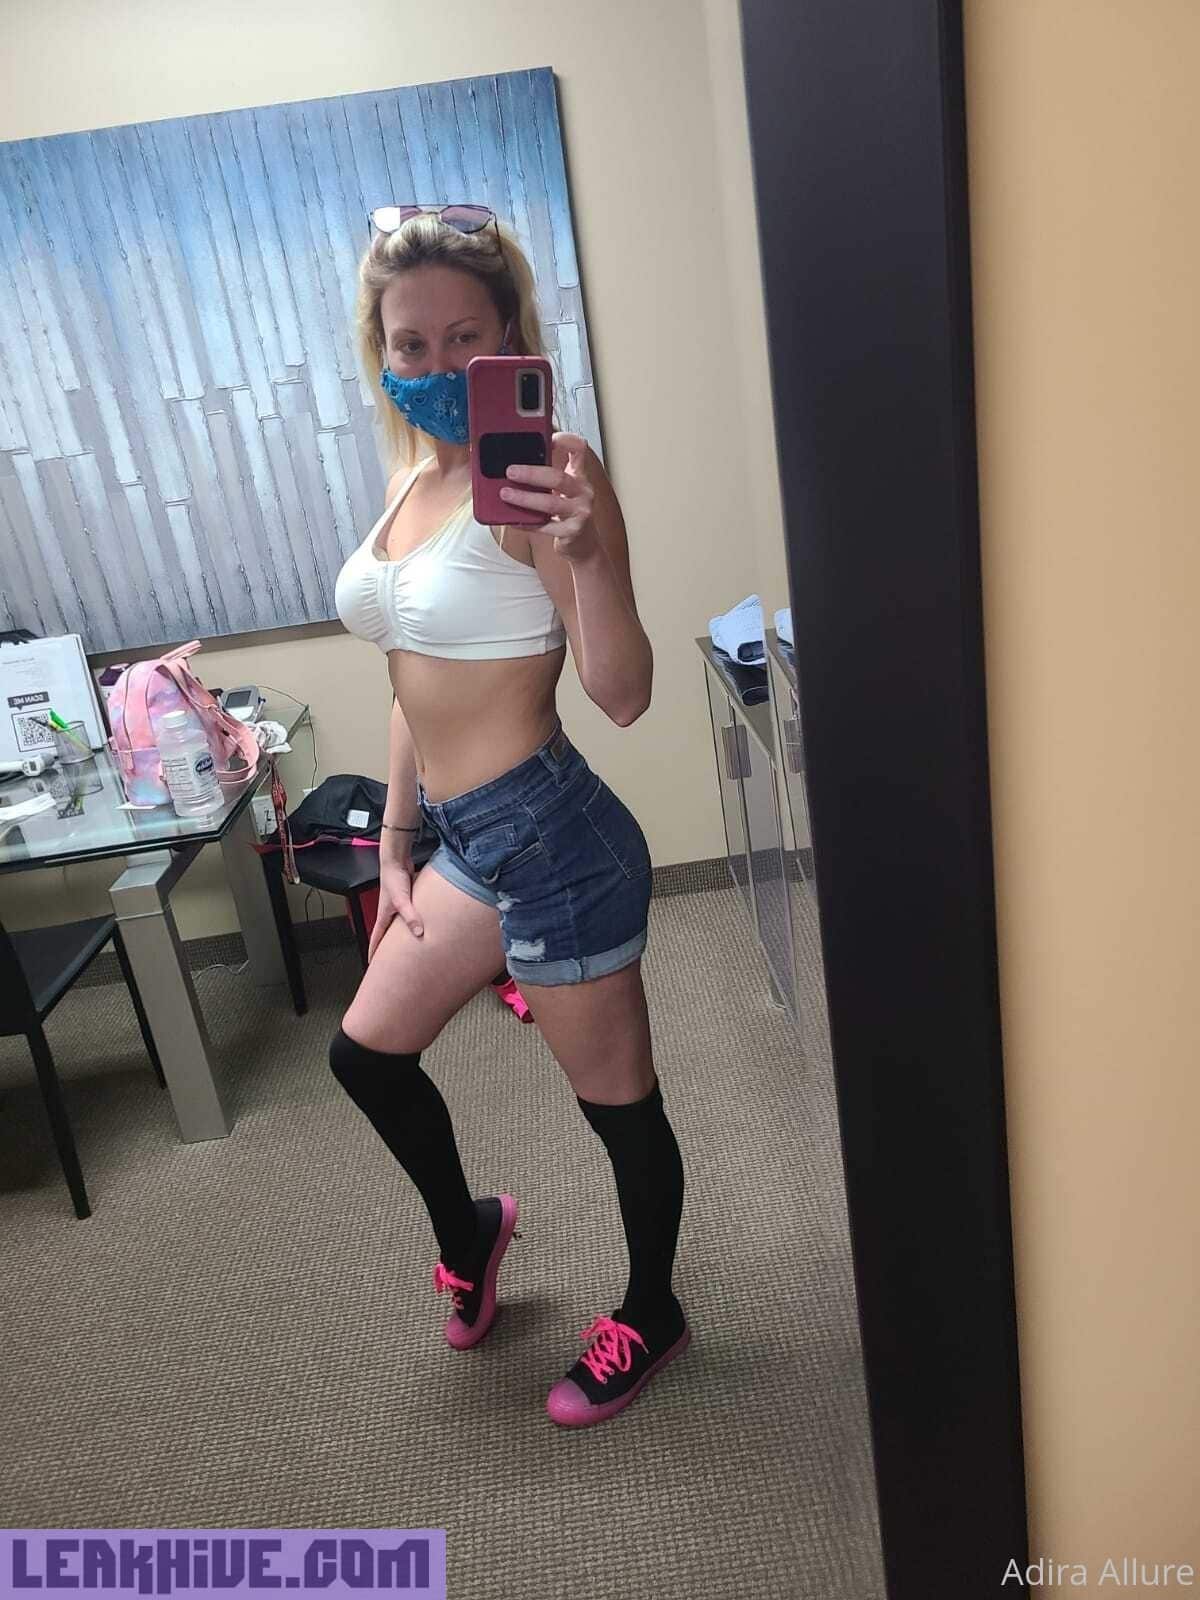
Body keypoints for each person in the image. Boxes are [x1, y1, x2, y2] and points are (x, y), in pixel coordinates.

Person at [329, 206, 688, 1429]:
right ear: (381, 351)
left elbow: (624, 693)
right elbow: (409, 680)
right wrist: (395, 843)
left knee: (617, 1106)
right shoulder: (411, 481)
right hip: (462, 842)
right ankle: (470, 1232)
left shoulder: (552, 474)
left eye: (461, 339)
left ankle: (653, 1309)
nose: (432, 365)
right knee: (365, 1055)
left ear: (509, 341)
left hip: (554, 842)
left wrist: (590, 556)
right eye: (408, 344)